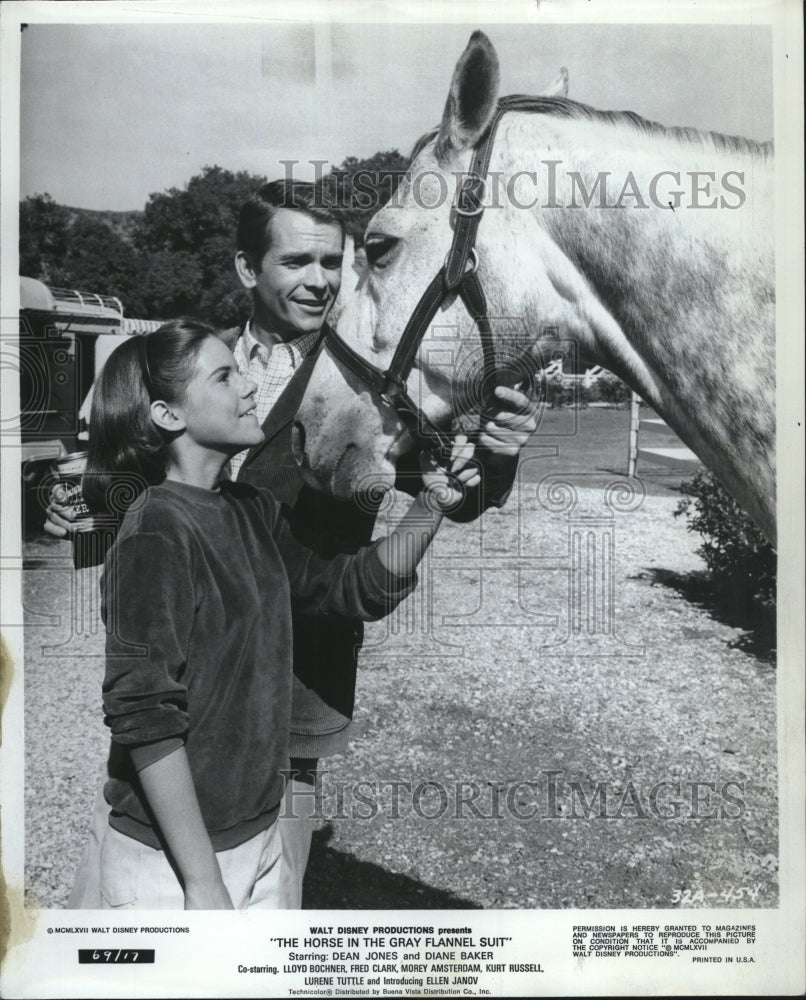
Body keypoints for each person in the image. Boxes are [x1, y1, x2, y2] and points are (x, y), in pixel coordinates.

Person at [47, 178, 537, 903]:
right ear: (248, 268)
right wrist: (86, 507)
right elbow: (139, 483)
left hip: (303, 670)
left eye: (333, 262)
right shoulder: (197, 358)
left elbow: (452, 486)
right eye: (297, 261)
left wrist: (493, 455)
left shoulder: (373, 370)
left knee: (274, 888)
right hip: (187, 676)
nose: (320, 280)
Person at [81, 318, 479, 909]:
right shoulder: (155, 530)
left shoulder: (251, 509)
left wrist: (431, 507)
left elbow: (347, 587)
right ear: (167, 414)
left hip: (259, 839)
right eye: (224, 377)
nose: (249, 387)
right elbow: (144, 717)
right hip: (170, 867)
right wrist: (203, 883)